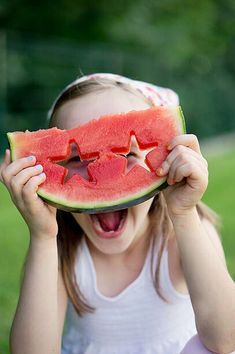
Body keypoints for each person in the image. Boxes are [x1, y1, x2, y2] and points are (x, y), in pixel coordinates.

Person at [0, 73, 235, 354]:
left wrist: (184, 214)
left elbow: (226, 339)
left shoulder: (184, 234)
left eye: (125, 153)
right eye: (75, 157)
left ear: (164, 158)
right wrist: (42, 236)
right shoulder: (60, 248)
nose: (101, 173)